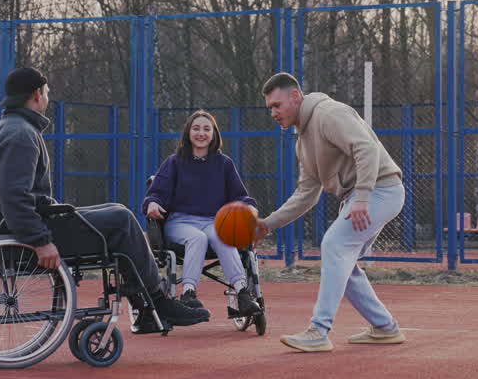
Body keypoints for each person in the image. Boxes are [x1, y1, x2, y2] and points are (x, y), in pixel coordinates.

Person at [0, 67, 210, 331]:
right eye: (47, 93)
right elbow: (13, 196)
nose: (48, 98)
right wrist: (40, 241)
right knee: (121, 220)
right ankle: (157, 301)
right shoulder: (20, 134)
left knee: (116, 210)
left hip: (30, 226)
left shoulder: (10, 128)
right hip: (31, 236)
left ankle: (146, 306)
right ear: (36, 94)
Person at [254, 72, 407, 352]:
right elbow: (306, 193)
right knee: (343, 262)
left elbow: (366, 149)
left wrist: (362, 196)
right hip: (363, 196)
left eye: (277, 105)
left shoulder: (329, 113)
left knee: (334, 245)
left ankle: (319, 330)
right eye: (269, 108)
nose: (273, 113)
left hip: (381, 190)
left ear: (296, 97)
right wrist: (268, 224)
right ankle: (385, 327)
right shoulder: (302, 141)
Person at [142, 110, 261, 315]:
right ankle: (188, 293)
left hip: (214, 222)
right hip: (180, 223)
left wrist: (249, 207)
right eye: (196, 128)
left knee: (223, 236)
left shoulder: (224, 164)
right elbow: (156, 193)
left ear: (214, 134)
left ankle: (242, 293)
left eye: (206, 129)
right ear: (188, 133)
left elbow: (239, 196)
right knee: (197, 238)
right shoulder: (174, 162)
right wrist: (152, 203)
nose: (201, 133)